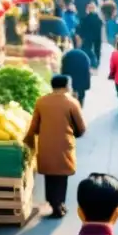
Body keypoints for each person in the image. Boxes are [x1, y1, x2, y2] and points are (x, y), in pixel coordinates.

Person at [24, 75, 88, 218]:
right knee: (61, 176)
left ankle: (53, 202)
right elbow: (81, 128)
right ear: (66, 86)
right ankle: (59, 203)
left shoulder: (41, 102)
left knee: (50, 174)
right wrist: (75, 134)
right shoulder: (72, 103)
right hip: (64, 144)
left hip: (45, 143)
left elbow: (34, 126)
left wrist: (27, 141)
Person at [77, 3, 104, 68]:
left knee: (88, 50)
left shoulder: (84, 19)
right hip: (96, 38)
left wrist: (81, 36)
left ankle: (89, 63)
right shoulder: (98, 20)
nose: (91, 9)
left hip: (88, 38)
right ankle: (96, 63)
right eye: (90, 7)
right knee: (96, 51)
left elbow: (81, 29)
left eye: (92, 8)